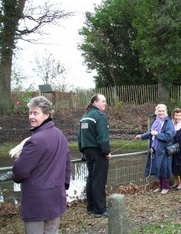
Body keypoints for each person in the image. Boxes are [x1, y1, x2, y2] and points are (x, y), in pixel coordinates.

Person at [12, 96, 71, 234]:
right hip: (56, 198)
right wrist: (64, 185)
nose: (31, 116)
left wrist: (17, 159)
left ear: (46, 115)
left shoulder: (36, 140)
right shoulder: (60, 135)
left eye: (35, 113)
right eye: (30, 113)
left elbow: (20, 171)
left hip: (37, 203)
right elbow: (67, 162)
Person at [78, 94, 112, 218]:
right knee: (99, 180)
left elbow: (80, 136)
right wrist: (106, 152)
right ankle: (100, 210)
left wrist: (82, 151)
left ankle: (91, 207)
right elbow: (103, 136)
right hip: (98, 152)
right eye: (103, 101)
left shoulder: (84, 117)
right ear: (94, 102)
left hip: (87, 152)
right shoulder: (99, 116)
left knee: (91, 179)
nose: (105, 103)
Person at [135, 104, 175, 195]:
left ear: (166, 112)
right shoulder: (156, 121)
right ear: (156, 112)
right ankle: (160, 186)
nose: (161, 113)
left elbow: (169, 136)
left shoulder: (168, 123)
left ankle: (166, 187)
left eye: (163, 111)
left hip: (164, 150)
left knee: (164, 167)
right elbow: (151, 133)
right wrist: (141, 136)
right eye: (159, 111)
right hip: (156, 148)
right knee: (158, 167)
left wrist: (157, 134)